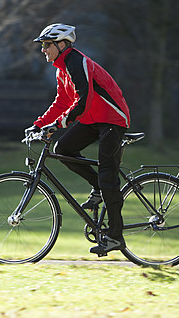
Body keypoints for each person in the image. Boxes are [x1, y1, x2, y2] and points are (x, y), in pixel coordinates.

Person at [25, 23, 131, 255]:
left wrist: (60, 123)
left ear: (62, 45)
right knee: (63, 148)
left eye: (46, 45)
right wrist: (39, 124)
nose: (43, 50)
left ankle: (115, 237)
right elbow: (62, 102)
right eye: (43, 46)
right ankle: (98, 188)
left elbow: (82, 100)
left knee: (108, 176)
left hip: (112, 119)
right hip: (92, 119)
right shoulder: (61, 68)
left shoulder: (77, 62)